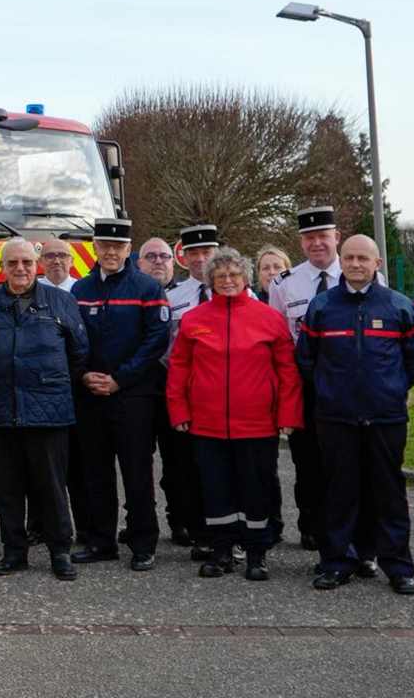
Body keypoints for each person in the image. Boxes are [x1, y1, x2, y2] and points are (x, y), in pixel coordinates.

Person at [299, 234, 414, 595]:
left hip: (385, 417)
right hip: (336, 418)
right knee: (339, 492)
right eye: (349, 258)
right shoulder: (321, 307)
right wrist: (330, 390)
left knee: (388, 493)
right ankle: (338, 562)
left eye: (363, 259)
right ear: (342, 260)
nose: (355, 264)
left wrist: (390, 388)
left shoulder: (399, 306)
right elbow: (306, 358)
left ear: (377, 264)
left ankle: (397, 566)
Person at [0, 238, 89, 581]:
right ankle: (14, 552)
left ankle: (60, 551)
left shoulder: (61, 302)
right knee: (8, 487)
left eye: (27, 263)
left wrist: (51, 385)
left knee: (51, 485)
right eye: (13, 263)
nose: (20, 269)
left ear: (38, 265)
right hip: (1, 411)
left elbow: (79, 353)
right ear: (1, 268)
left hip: (48, 412)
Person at [167, 249, 300, 581]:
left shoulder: (269, 318)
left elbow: (287, 370)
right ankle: (222, 550)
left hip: (257, 423)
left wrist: (288, 415)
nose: (227, 281)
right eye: (220, 275)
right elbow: (179, 367)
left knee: (256, 489)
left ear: (246, 278)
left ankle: (257, 553)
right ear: (211, 280)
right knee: (215, 488)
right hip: (207, 424)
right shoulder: (194, 319)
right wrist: (179, 410)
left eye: (234, 275)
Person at [69, 218, 170, 571]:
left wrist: (119, 379)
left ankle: (143, 543)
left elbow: (156, 341)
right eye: (104, 245)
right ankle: (101, 542)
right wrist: (83, 376)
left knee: (137, 472)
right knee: (95, 473)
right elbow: (71, 340)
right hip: (90, 396)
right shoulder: (79, 290)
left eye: (118, 246)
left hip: (133, 397)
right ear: (94, 247)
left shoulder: (147, 289)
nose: (110, 252)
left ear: (129, 250)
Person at [266, 206, 344, 555]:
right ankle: (311, 527)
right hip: (305, 384)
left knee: (346, 461)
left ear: (336, 237)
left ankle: (347, 527)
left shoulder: (363, 271)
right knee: (307, 461)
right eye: (309, 238)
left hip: (349, 383)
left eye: (323, 236)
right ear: (301, 242)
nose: (316, 243)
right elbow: (279, 338)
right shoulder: (285, 284)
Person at [156, 223, 217, 556]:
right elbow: (164, 347)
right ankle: (195, 528)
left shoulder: (237, 293)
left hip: (221, 394)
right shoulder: (173, 297)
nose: (201, 259)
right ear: (184, 257)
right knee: (184, 465)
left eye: (207, 252)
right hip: (184, 391)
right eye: (194, 253)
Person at [36, 236, 93, 548]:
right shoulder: (33, 291)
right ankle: (42, 527)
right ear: (42, 262)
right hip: (43, 395)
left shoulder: (82, 292)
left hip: (77, 390)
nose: (56, 261)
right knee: (44, 466)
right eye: (50, 256)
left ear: (72, 261)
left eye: (62, 256)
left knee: (80, 467)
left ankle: (84, 528)